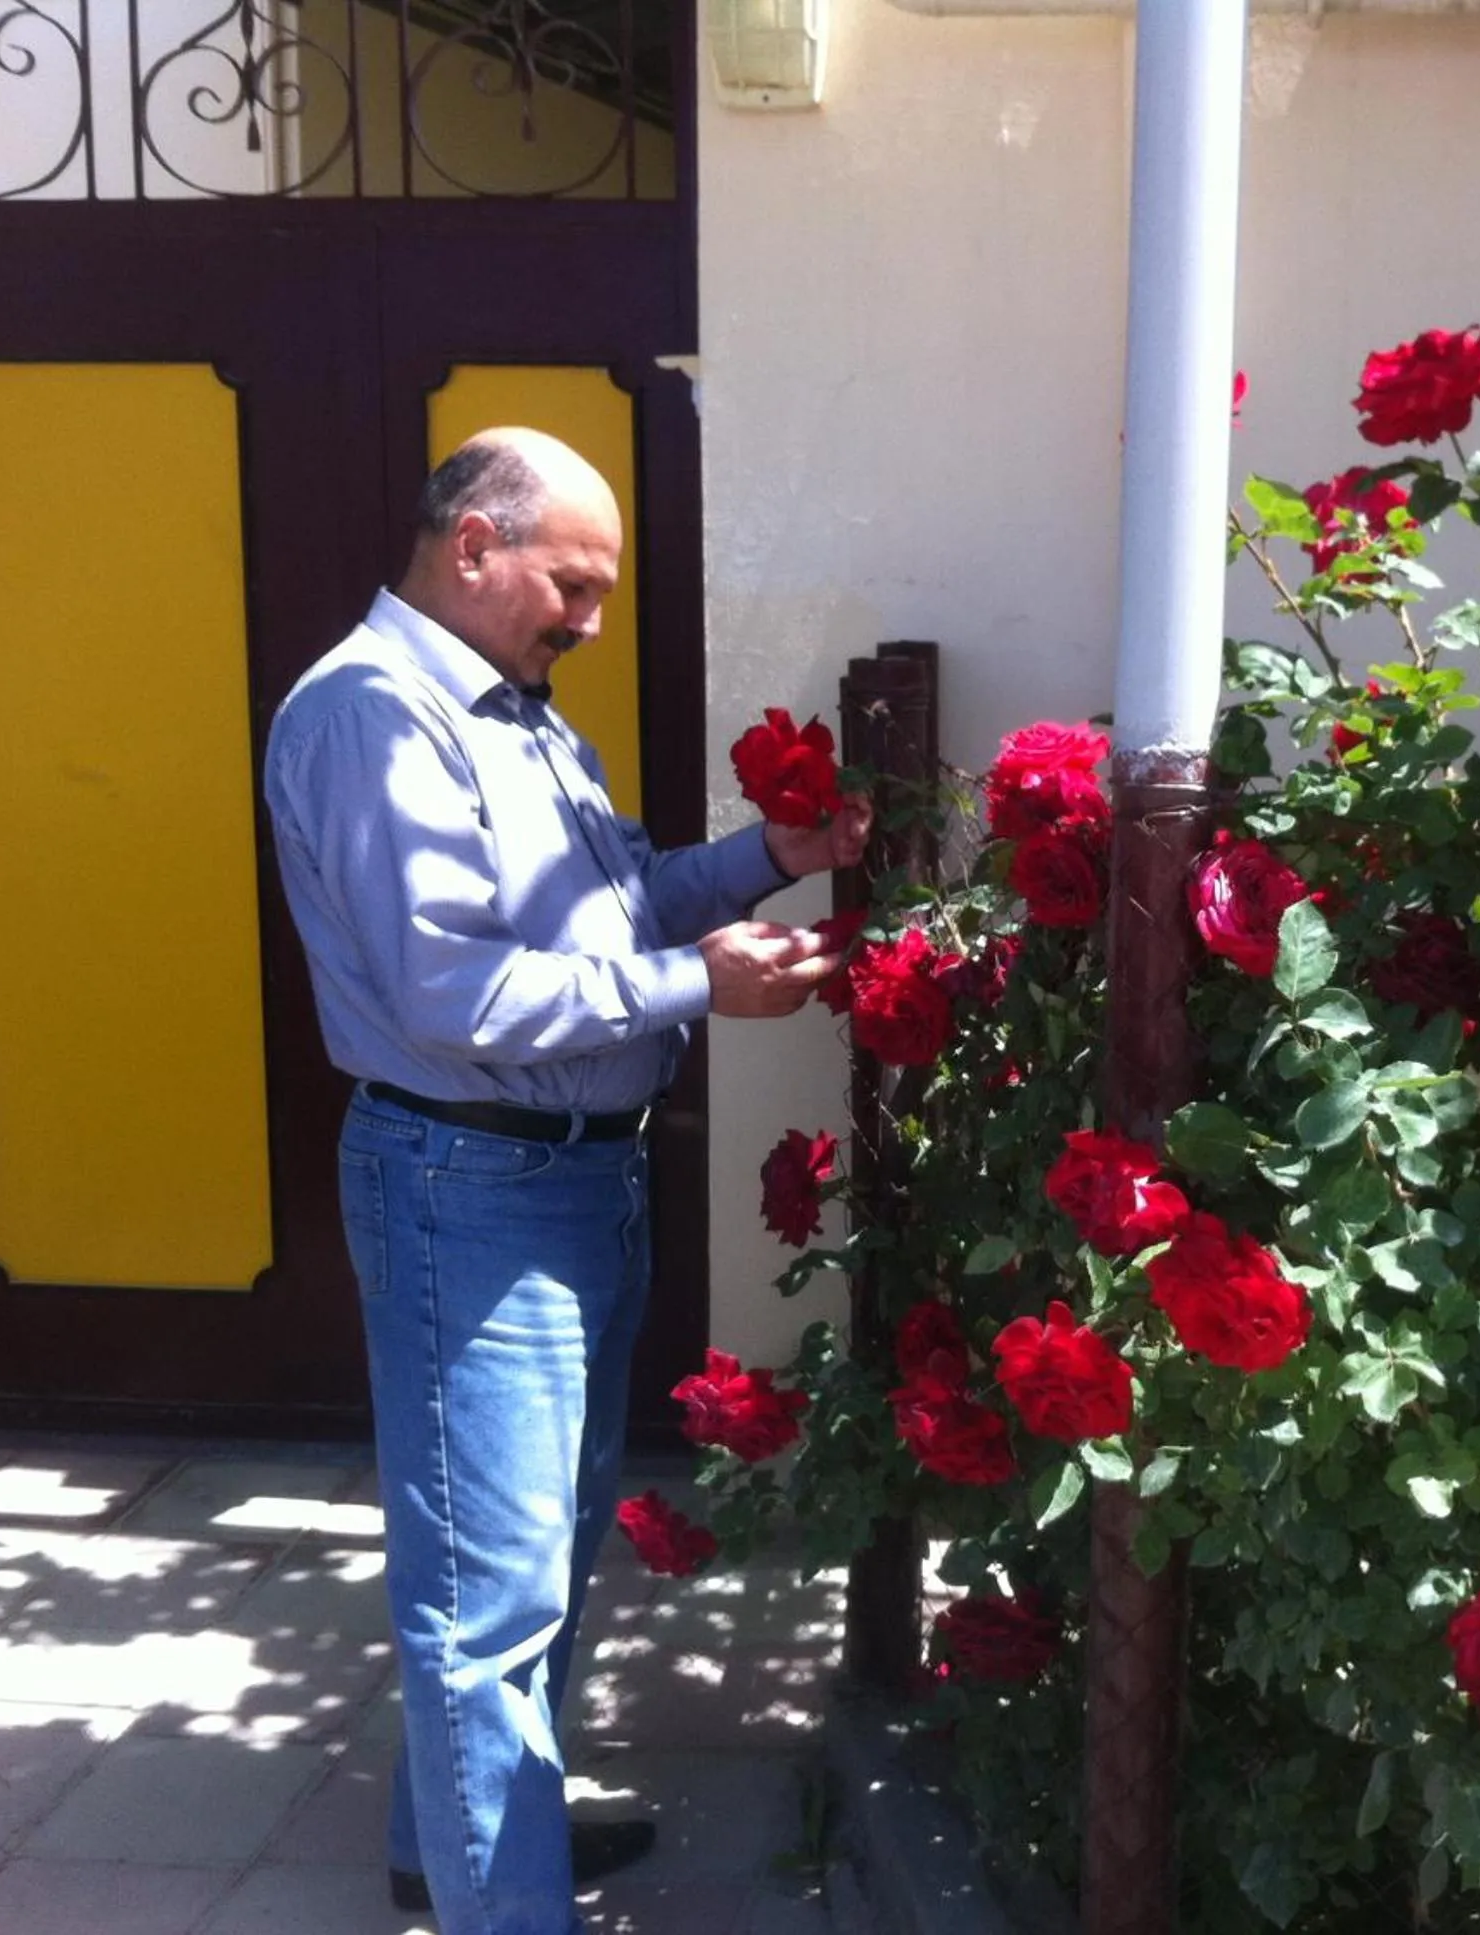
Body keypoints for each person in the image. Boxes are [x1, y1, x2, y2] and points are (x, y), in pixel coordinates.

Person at [263, 427, 864, 1935]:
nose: (590, 618)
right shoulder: (375, 717)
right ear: (475, 544)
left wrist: (758, 862)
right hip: (471, 1182)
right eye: (572, 582)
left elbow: (607, 912)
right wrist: (695, 988)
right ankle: (501, 1903)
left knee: (536, 1551)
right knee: (490, 1600)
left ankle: (458, 1848)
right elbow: (452, 994)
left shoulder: (511, 712)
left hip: (566, 1183)